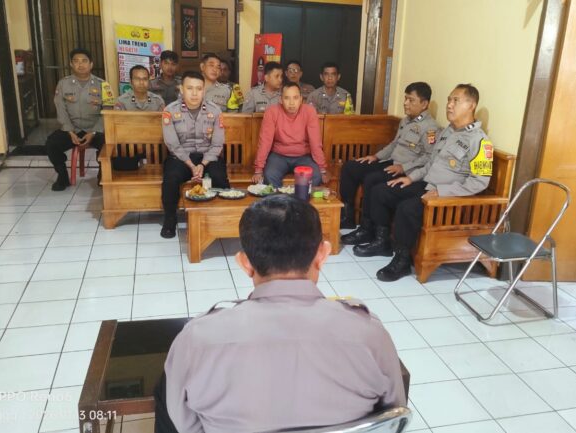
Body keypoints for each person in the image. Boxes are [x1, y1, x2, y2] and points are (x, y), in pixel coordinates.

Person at [157, 194, 406, 433]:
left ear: (245, 263)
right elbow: (391, 418)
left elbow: (185, 425)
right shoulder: (369, 334)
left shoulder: (197, 339)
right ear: (322, 254)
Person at [355, 84, 494, 282]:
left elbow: (479, 182)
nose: (449, 105)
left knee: (407, 208)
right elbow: (430, 163)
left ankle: (402, 261)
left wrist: (442, 192)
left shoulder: (480, 141)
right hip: (426, 185)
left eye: (456, 101)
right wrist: (411, 177)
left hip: (446, 199)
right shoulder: (448, 132)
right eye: (449, 100)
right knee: (381, 191)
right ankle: (382, 242)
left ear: (471, 105)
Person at [339, 82, 440, 235]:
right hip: (391, 163)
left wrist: (403, 167)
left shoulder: (430, 128)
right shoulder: (406, 121)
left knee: (371, 179)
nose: (405, 103)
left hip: (407, 170)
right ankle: (348, 216)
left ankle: (367, 228)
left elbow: (428, 156)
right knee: (351, 167)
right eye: (405, 98)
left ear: (424, 104)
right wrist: (375, 156)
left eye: (411, 100)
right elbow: (394, 144)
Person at [160, 71, 230, 239]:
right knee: (171, 178)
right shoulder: (170, 111)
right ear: (181, 89)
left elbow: (217, 144)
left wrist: (202, 164)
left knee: (219, 176)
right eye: (189, 88)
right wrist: (192, 165)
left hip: (208, 157)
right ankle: (170, 219)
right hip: (181, 158)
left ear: (203, 90)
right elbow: (172, 144)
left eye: (199, 89)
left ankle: (222, 216)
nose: (194, 93)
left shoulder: (215, 111)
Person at [46, 48, 114, 191]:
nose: (80, 64)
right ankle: (62, 176)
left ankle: (102, 174)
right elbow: (60, 109)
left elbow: (108, 110)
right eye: (76, 61)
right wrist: (69, 131)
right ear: (71, 64)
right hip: (72, 129)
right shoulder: (63, 84)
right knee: (51, 143)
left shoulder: (103, 85)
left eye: (84, 61)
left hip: (95, 129)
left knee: (109, 144)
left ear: (91, 64)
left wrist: (94, 132)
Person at [252, 82, 327, 188]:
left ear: (301, 99)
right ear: (281, 100)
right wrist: (258, 169)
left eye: (295, 98)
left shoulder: (309, 111)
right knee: (269, 175)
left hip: (304, 156)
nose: (291, 103)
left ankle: (299, 198)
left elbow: (315, 142)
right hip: (278, 156)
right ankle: (281, 199)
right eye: (287, 98)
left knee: (316, 176)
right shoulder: (272, 112)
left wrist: (322, 169)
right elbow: (265, 142)